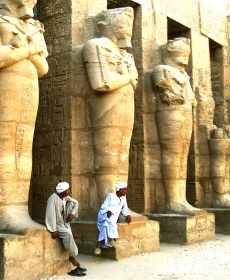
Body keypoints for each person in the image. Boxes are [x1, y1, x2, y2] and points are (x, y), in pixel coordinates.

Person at [0, 0, 48, 233]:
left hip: (29, 87)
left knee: (24, 148)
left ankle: (18, 210)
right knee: (2, 146)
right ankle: (0, 213)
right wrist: (26, 49)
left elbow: (43, 68)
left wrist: (27, 48)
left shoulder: (33, 27)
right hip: (2, 86)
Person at [82, 7, 138, 205]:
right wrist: (127, 76)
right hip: (107, 106)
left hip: (125, 104)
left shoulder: (125, 55)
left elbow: (134, 82)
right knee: (108, 156)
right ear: (106, 26)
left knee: (123, 156)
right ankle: (106, 205)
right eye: (122, 24)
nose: (127, 30)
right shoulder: (95, 45)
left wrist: (126, 76)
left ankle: (120, 206)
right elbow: (101, 83)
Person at [152, 38, 204, 215]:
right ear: (170, 52)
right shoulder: (162, 70)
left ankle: (181, 199)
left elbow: (190, 99)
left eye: (186, 53)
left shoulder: (183, 75)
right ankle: (172, 200)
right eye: (181, 52)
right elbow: (168, 95)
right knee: (172, 156)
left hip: (184, 114)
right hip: (170, 115)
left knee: (182, 157)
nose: (184, 57)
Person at [45, 182, 87, 277]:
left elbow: (76, 202)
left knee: (72, 204)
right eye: (67, 190)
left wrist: (72, 214)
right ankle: (72, 257)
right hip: (56, 223)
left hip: (64, 221)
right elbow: (50, 215)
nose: (68, 191)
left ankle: (72, 257)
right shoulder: (53, 198)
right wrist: (53, 230)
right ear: (62, 192)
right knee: (68, 234)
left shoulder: (65, 197)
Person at [95, 182, 131, 254]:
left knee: (107, 223)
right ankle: (111, 238)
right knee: (109, 219)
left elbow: (124, 210)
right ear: (120, 190)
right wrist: (108, 210)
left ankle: (98, 244)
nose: (126, 192)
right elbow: (104, 205)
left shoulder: (123, 199)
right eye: (125, 190)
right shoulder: (111, 195)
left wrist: (128, 215)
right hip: (104, 214)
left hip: (112, 218)